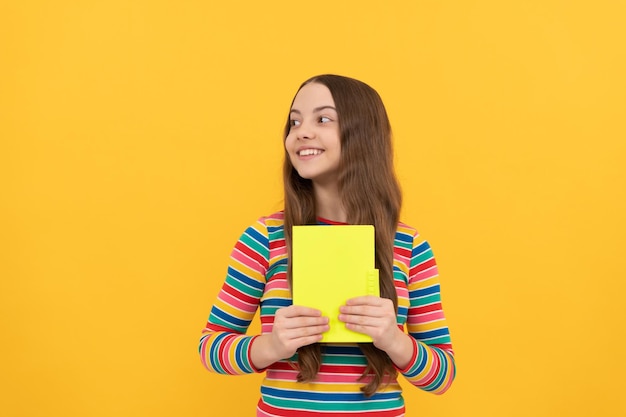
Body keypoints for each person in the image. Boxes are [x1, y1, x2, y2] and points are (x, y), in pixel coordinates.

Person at [199, 74, 456, 416]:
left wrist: (394, 339)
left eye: (323, 119)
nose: (301, 132)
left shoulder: (409, 245)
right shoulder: (265, 237)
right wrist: (271, 345)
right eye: (294, 121)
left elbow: (442, 376)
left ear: (362, 135)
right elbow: (211, 348)